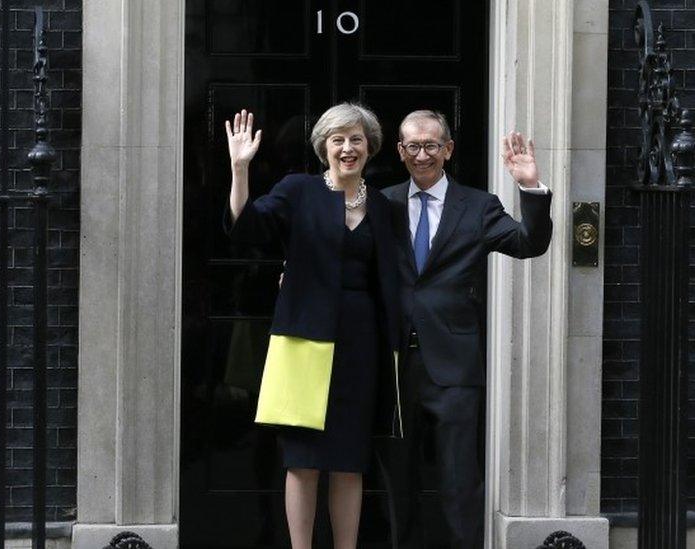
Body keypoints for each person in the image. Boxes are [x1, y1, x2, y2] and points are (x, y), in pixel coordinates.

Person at [224, 104, 403, 549]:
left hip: (361, 343)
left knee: (349, 459)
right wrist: (239, 170)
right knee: (302, 459)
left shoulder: (382, 206)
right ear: (324, 146)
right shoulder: (299, 190)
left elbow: (396, 277)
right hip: (304, 338)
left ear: (370, 147)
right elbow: (247, 228)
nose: (348, 147)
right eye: (338, 139)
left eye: (356, 139)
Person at [378, 110, 553, 548]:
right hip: (393, 363)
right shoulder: (382, 203)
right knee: (397, 482)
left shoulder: (478, 206)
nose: (423, 155)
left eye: (432, 145)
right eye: (413, 146)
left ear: (448, 149)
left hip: (454, 367)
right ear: (400, 151)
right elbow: (349, 256)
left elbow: (529, 243)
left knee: (459, 480)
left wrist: (529, 186)